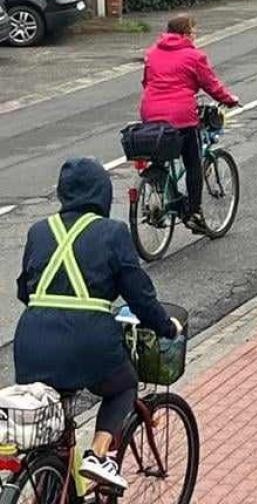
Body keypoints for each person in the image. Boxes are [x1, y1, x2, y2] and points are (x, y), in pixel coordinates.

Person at [15, 159, 181, 490]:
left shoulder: (39, 231)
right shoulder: (112, 233)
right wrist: (166, 327)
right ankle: (99, 454)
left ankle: (48, 479)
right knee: (122, 385)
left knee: (53, 432)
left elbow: (25, 291)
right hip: (87, 341)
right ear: (101, 193)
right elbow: (140, 296)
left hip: (31, 343)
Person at [140, 15, 238, 233]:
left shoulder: (152, 53)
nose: (196, 37)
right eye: (194, 32)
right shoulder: (194, 56)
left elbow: (147, 82)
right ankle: (194, 213)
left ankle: (158, 188)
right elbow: (210, 84)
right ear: (185, 34)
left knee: (160, 152)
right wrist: (229, 100)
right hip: (181, 116)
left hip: (150, 112)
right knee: (193, 162)